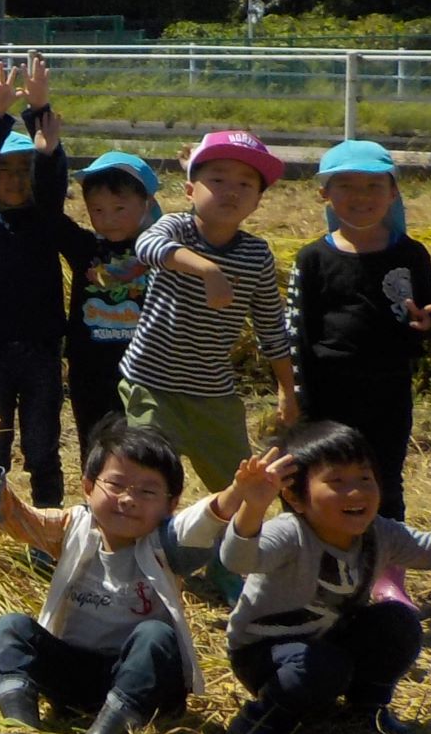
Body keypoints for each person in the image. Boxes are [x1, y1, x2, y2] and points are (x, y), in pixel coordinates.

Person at [0, 401, 253, 734]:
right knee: (12, 626)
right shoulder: (72, 527)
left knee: (155, 635)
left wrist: (238, 491)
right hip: (76, 675)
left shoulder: (166, 543)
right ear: (87, 487)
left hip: (144, 682)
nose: (128, 499)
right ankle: (21, 728)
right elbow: (13, 517)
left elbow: (205, 519)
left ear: (171, 504)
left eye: (148, 492)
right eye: (115, 485)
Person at [222, 422, 431, 734]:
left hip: (326, 642)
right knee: (323, 666)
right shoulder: (290, 533)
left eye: (365, 479)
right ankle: (260, 722)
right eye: (336, 481)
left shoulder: (380, 534)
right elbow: (238, 560)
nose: (356, 492)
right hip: (263, 654)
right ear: (296, 497)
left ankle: (367, 711)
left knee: (397, 623)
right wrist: (253, 508)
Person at [120, 129, 298, 507]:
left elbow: (271, 326)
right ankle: (148, 542)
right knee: (147, 480)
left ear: (257, 201)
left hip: (212, 393)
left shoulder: (257, 255)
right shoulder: (176, 228)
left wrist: (287, 389)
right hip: (152, 385)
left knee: (239, 489)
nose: (231, 191)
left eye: (245, 184)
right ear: (190, 190)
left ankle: (231, 547)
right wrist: (207, 269)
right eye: (217, 180)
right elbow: (147, 246)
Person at [287, 140, 431, 554]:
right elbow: (295, 331)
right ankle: (312, 555)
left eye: (374, 186)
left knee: (383, 475)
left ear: (393, 193)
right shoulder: (312, 258)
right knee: (318, 473)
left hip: (388, 388)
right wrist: (294, 395)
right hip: (326, 390)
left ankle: (386, 563)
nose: (361, 197)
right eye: (347, 186)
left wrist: (427, 323)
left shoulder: (411, 254)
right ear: (324, 193)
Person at [0, 54, 73, 507]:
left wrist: (38, 109)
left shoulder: (46, 218)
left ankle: (48, 521)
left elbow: (53, 174)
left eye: (23, 170)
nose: (14, 180)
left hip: (42, 351)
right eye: (4, 170)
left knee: (42, 446)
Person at [42, 132, 160, 466]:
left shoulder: (159, 250)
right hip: (89, 366)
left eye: (120, 208)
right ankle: (96, 492)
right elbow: (49, 212)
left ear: (146, 203)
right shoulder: (86, 248)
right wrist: (49, 156)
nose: (109, 218)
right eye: (98, 210)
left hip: (143, 368)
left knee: (143, 445)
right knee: (94, 443)